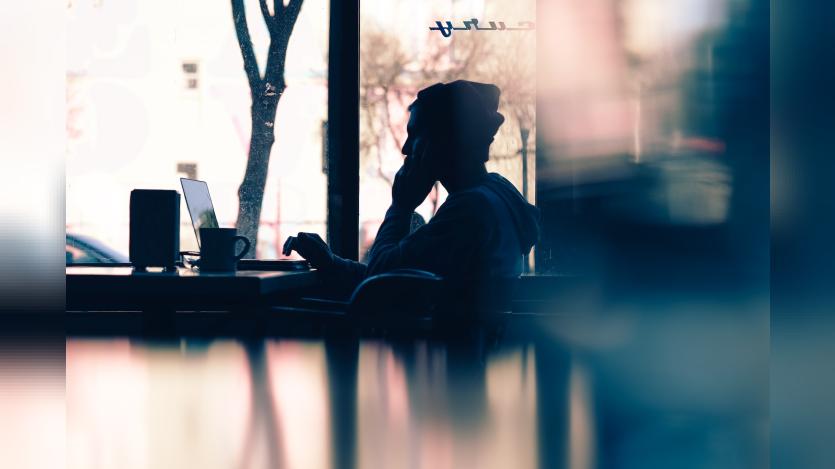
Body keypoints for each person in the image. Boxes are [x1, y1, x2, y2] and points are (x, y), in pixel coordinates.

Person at [283, 80, 539, 299]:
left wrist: (401, 207)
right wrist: (332, 263)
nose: (406, 148)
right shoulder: (494, 194)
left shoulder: (469, 210)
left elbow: (379, 281)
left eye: (414, 134)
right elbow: (398, 273)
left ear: (445, 140)